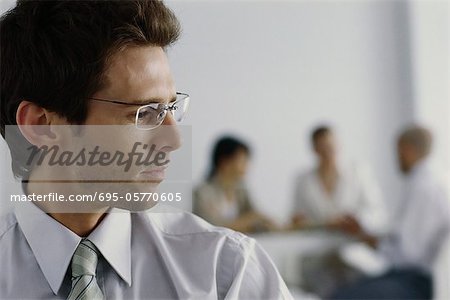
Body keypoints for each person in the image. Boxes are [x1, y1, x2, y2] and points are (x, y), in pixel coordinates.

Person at [0, 1, 292, 299]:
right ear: (41, 125)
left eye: (171, 108)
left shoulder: (227, 272)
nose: (174, 140)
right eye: (144, 113)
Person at [331, 125, 450, 299]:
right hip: (414, 275)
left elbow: (408, 254)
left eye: (398, 151)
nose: (396, 158)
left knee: (341, 296)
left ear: (406, 149)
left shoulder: (425, 186)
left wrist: (366, 239)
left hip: (419, 280)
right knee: (348, 289)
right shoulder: (433, 178)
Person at [291, 125, 387, 237]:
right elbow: (297, 218)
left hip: (354, 243)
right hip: (316, 247)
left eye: (330, 147)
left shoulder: (359, 172)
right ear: (314, 149)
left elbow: (378, 212)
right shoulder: (303, 181)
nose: (327, 153)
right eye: (322, 148)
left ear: (338, 145)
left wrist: (357, 220)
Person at [193, 136, 277, 233]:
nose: (246, 166)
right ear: (224, 161)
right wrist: (249, 220)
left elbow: (257, 216)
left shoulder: (241, 190)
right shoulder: (202, 192)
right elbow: (211, 228)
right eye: (242, 160)